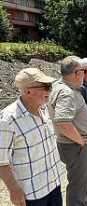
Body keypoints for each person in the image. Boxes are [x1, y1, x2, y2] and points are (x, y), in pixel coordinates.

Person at [0, 68, 63, 206]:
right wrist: (13, 189)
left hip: (54, 183)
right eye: (46, 87)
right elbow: (1, 160)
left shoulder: (44, 109)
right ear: (28, 91)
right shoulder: (8, 120)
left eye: (50, 87)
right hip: (32, 193)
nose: (50, 91)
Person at [48, 56, 87, 206]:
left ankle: (80, 202)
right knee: (77, 183)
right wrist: (81, 140)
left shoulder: (58, 85)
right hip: (76, 146)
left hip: (71, 144)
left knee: (79, 181)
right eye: (83, 71)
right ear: (77, 73)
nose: (85, 74)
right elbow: (62, 122)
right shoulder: (66, 93)